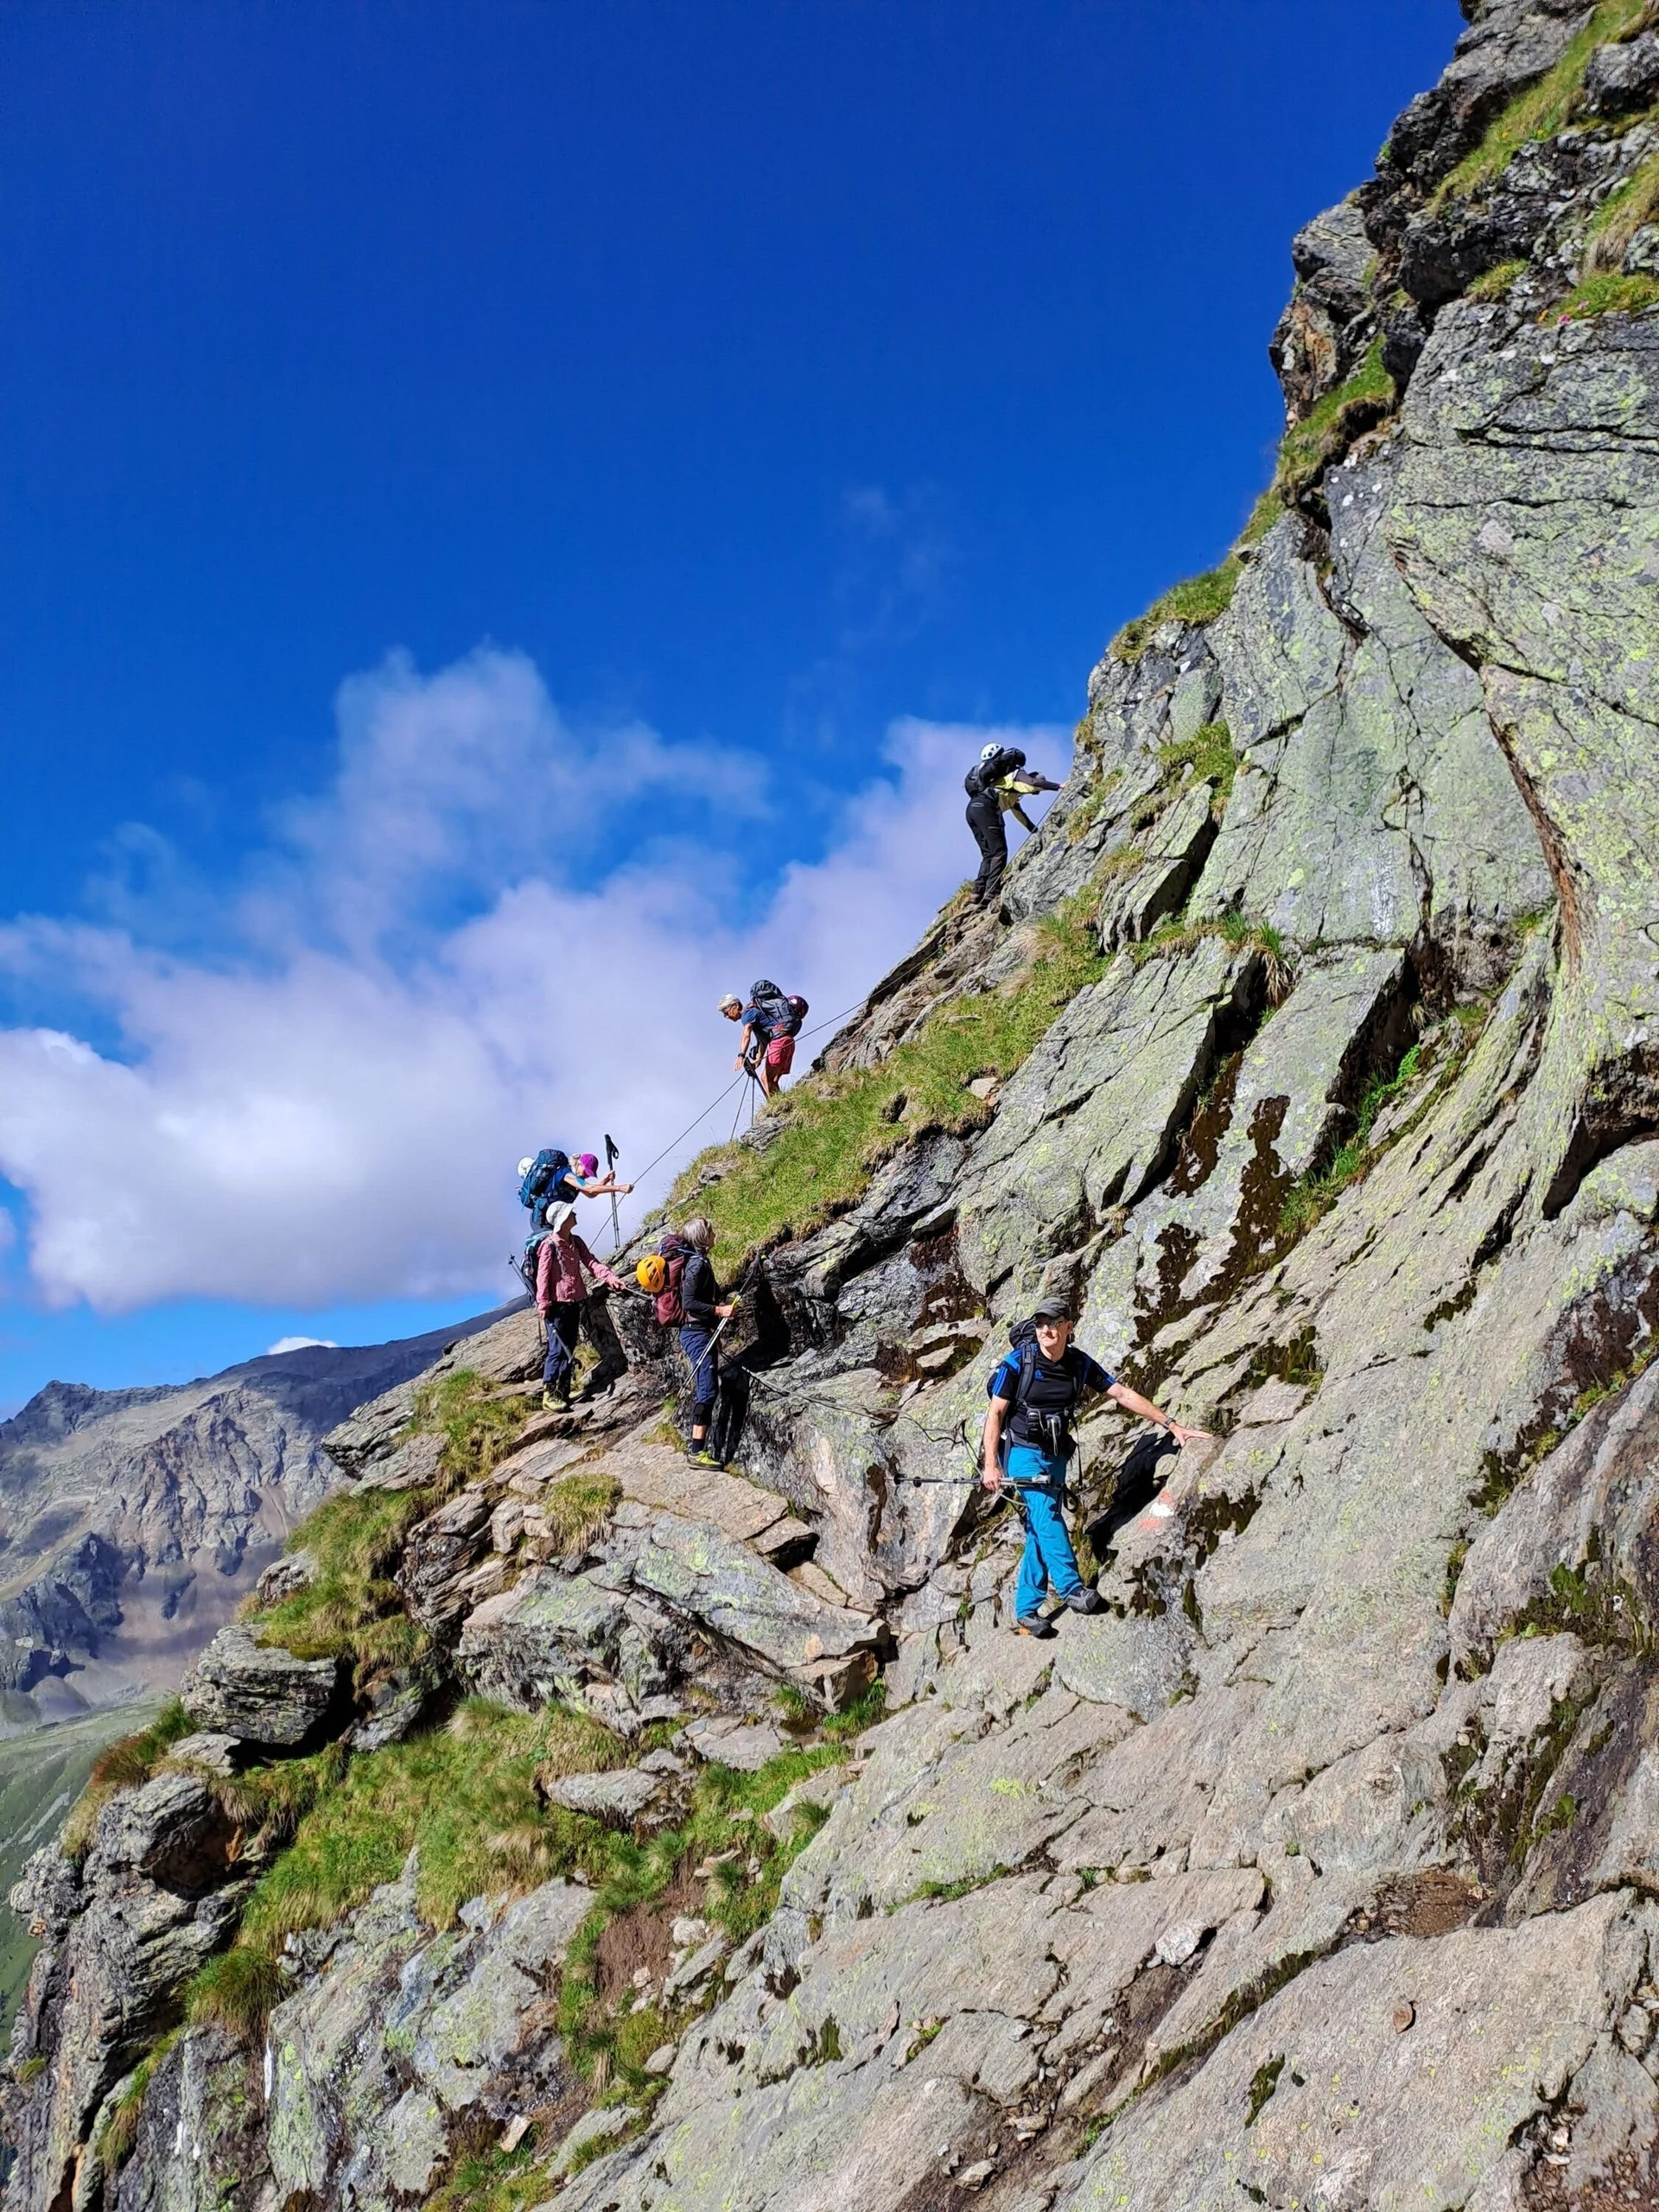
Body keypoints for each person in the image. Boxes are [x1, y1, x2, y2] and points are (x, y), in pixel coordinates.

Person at [982, 1296, 1211, 1637]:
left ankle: (1027, 1610)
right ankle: (1073, 1588)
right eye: (1041, 1323)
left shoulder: (1079, 1364)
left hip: (1056, 1453)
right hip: (1021, 1452)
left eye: (1053, 1322)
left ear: (1068, 1327)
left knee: (1039, 1526)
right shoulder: (1017, 1364)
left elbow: (1121, 1393)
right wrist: (991, 1465)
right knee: (1046, 1513)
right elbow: (995, 1414)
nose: (1046, 1329)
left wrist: (1171, 1425)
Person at [536, 1203, 626, 1408]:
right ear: (563, 1220)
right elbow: (542, 1277)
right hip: (556, 1305)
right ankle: (549, 1395)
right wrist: (543, 1304)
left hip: (575, 1301)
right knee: (557, 1349)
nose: (575, 1214)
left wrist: (610, 1277)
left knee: (570, 1345)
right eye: (570, 1213)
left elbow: (591, 1262)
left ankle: (564, 1391)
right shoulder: (549, 1246)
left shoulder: (576, 1242)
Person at [675, 1214, 741, 1466]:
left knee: (708, 1388)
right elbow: (689, 1302)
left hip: (702, 1332)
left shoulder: (700, 1262)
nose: (714, 1233)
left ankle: (699, 1449)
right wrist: (719, 1311)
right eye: (710, 1230)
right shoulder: (697, 1265)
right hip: (696, 1333)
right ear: (703, 1238)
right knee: (707, 1389)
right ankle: (696, 1452)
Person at [963, 742, 1060, 909]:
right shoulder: (1016, 774)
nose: (1036, 792)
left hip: (972, 809)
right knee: (1000, 851)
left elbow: (1022, 818)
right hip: (986, 808)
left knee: (988, 854)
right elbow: (1033, 783)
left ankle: (977, 892)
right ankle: (991, 892)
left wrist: (1036, 832)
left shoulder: (1010, 794)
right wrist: (1058, 786)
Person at [719, 988, 798, 1100]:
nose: (726, 1016)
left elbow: (747, 1033)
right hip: (787, 1041)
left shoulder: (747, 1014)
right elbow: (763, 1043)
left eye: (726, 1012)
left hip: (778, 1042)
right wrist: (757, 1062)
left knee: (766, 1079)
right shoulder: (756, 1013)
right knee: (773, 1080)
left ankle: (776, 1109)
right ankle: (783, 1106)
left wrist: (741, 1055)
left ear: (735, 1006)